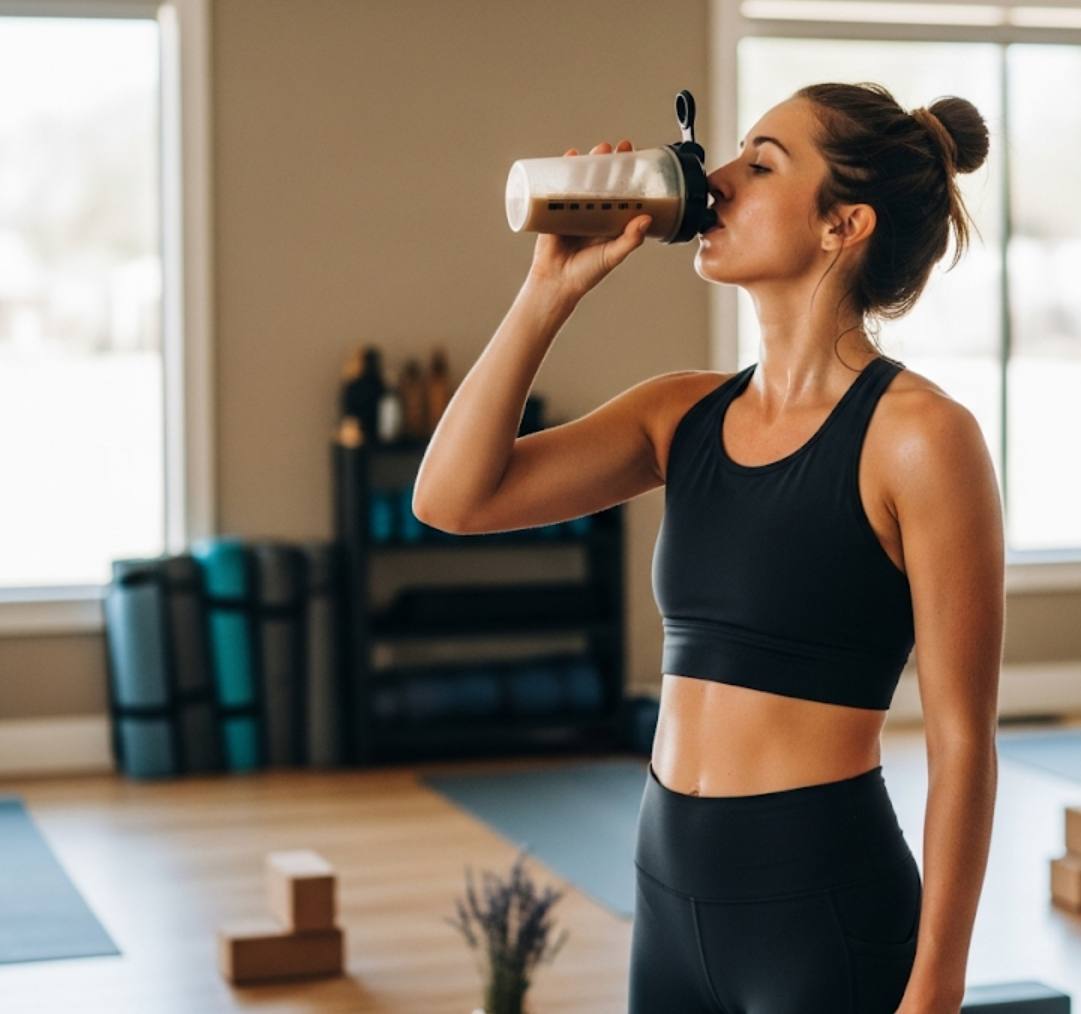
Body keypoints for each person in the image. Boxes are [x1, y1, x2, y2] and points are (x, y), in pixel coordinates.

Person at [414, 81, 1004, 1014]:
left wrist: (936, 986)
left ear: (840, 225)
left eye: (759, 163)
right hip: (665, 893)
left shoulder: (921, 437)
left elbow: (961, 738)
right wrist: (547, 290)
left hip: (820, 907)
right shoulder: (678, 413)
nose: (715, 183)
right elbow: (452, 498)